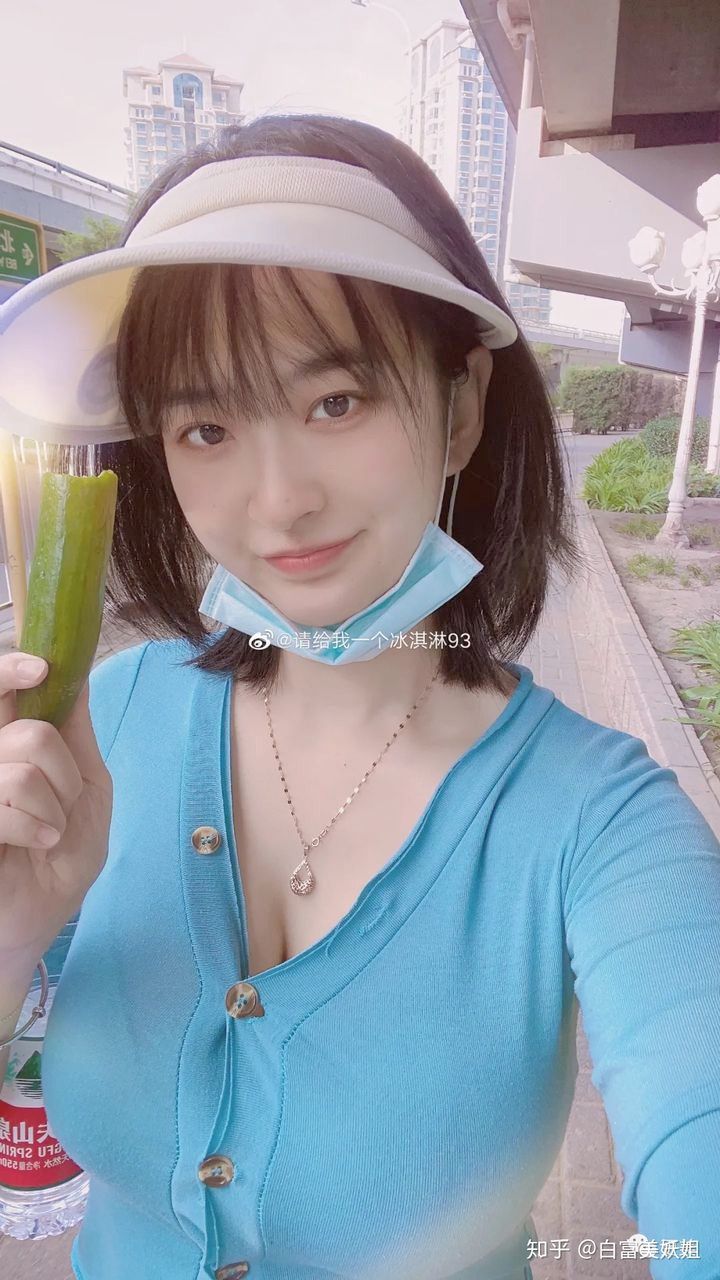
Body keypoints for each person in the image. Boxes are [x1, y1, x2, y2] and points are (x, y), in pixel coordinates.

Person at [0, 114, 718, 1280]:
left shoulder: (601, 822)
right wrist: (14, 929)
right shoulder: (109, 716)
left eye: (335, 401)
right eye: (206, 425)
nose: (279, 499)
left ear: (461, 405)